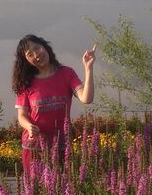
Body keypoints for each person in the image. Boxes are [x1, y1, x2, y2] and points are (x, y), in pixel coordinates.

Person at [12, 34, 96, 175]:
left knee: (62, 191)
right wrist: (29, 126)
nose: (36, 54)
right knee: (35, 192)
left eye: (37, 48)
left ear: (45, 46)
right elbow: (21, 116)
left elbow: (86, 98)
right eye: (30, 54)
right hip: (35, 148)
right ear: (26, 60)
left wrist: (88, 68)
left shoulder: (66, 74)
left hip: (62, 146)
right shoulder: (25, 82)